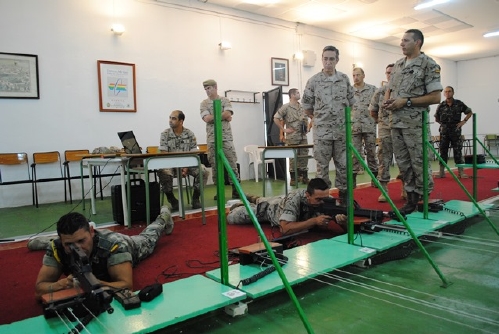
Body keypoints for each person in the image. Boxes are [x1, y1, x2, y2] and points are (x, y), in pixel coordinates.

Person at [34, 208, 173, 300]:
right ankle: (45, 241)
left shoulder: (114, 246)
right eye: (69, 244)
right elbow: (39, 290)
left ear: (91, 231)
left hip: (128, 245)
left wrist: (92, 283)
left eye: (82, 241)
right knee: (55, 245)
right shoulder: (57, 248)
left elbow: (126, 285)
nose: (78, 248)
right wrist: (62, 284)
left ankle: (163, 218)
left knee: (149, 238)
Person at [384, 29, 443, 214]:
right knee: (403, 163)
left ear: (417, 42)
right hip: (396, 123)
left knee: (419, 162)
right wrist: (389, 100)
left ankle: (423, 198)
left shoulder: (428, 64)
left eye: (406, 40)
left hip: (415, 124)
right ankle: (410, 200)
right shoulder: (399, 65)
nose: (401, 43)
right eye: (401, 40)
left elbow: (435, 97)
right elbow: (391, 90)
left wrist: (406, 101)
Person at [302, 46, 356, 204]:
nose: (328, 62)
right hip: (322, 132)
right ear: (322, 59)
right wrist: (320, 118)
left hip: (341, 132)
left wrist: (339, 119)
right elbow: (307, 106)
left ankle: (345, 200)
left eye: (331, 59)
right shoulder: (314, 81)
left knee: (344, 166)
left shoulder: (344, 79)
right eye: (325, 58)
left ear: (337, 60)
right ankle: (323, 200)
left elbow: (351, 102)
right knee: (322, 167)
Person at [227, 178, 344, 236]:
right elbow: (284, 229)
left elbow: (350, 229)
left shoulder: (327, 200)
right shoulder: (295, 199)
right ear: (308, 195)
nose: (322, 202)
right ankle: (241, 204)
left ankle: (250, 197)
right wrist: (314, 221)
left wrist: (343, 222)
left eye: (325, 198)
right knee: (232, 217)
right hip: (270, 211)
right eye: (318, 199)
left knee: (263, 199)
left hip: (280, 201)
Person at [369, 63, 406, 202]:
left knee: (403, 161)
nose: (390, 74)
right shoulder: (379, 92)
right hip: (385, 130)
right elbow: (372, 111)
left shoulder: (403, 92)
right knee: (384, 161)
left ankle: (405, 189)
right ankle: (384, 191)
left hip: (401, 129)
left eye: (392, 72)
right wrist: (381, 122)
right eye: (388, 72)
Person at [158, 110, 209, 210]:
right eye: (170, 118)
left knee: (203, 171)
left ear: (181, 121)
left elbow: (194, 152)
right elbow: (164, 153)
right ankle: (171, 199)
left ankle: (195, 198)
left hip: (188, 165)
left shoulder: (189, 134)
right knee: (163, 171)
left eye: (173, 118)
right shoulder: (165, 134)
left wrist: (185, 167)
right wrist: (177, 165)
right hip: (170, 165)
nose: (170, 121)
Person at [200, 79, 240, 200]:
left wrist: (217, 116)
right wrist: (223, 116)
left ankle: (236, 190)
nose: (207, 91)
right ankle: (219, 190)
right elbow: (207, 119)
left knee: (232, 164)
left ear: (215, 87)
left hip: (226, 138)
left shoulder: (224, 100)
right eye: (205, 89)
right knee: (215, 166)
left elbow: (228, 113)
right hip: (212, 139)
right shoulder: (204, 103)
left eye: (209, 88)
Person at [434, 86, 473, 179]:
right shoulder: (441, 105)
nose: (448, 93)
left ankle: (461, 172)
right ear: (444, 94)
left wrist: (463, 121)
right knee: (443, 151)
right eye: (446, 91)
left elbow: (469, 112)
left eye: (449, 91)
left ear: (453, 92)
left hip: (456, 131)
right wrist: (444, 125)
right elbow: (436, 118)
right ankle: (441, 172)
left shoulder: (459, 104)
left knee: (458, 151)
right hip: (444, 133)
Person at [274, 88, 310, 186]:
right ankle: (293, 178)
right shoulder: (286, 107)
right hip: (292, 137)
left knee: (304, 156)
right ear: (293, 95)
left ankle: (304, 177)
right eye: (298, 93)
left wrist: (308, 127)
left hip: (302, 137)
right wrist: (284, 130)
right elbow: (276, 118)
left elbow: (309, 117)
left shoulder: (302, 107)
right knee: (293, 157)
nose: (299, 94)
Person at [351, 67, 378, 187]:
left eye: (358, 75)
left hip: (369, 126)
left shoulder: (372, 89)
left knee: (371, 153)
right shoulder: (349, 91)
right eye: (354, 75)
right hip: (354, 127)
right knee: (354, 154)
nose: (356, 77)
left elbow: (378, 105)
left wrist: (377, 119)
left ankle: (375, 179)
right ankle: (353, 179)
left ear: (363, 76)